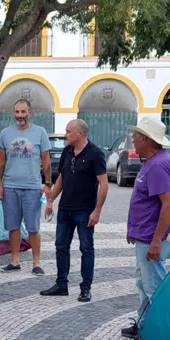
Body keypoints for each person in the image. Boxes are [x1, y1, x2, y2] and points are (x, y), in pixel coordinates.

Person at [122, 117, 170, 338]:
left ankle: (162, 333)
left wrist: (157, 239)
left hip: (151, 237)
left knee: (153, 286)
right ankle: (144, 325)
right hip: (145, 235)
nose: (133, 140)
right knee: (144, 282)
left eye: (136, 136)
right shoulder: (153, 161)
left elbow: (168, 205)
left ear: (145, 139)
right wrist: (134, 230)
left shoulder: (158, 165)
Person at [41, 119, 108, 302]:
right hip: (65, 209)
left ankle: (85, 288)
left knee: (86, 248)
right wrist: (51, 200)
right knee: (61, 246)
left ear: (80, 134)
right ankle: (61, 284)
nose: (65, 134)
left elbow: (103, 184)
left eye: (69, 131)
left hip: (85, 210)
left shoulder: (95, 154)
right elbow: (62, 177)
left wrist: (97, 211)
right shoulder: (67, 151)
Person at [0, 99, 51, 274]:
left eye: (23, 112)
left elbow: (46, 161)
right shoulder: (5, 133)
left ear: (30, 113)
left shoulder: (40, 133)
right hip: (10, 186)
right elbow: (1, 161)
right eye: (17, 112)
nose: (20, 115)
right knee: (13, 226)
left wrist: (48, 184)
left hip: (33, 187)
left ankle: (36, 262)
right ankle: (14, 260)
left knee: (33, 227)